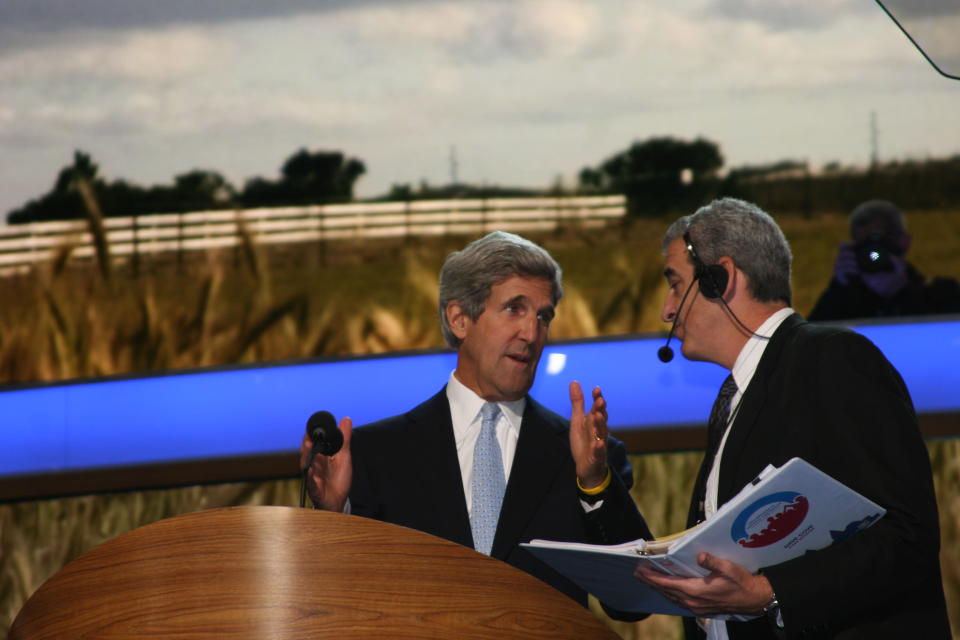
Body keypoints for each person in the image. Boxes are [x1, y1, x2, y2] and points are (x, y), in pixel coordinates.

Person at [630, 198, 950, 638]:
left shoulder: (835, 359)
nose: (667, 309)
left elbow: (906, 536)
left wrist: (769, 592)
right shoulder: (738, 394)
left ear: (719, 278)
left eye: (674, 283)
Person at [299, 230, 650, 607]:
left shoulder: (590, 460)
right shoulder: (375, 455)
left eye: (543, 316)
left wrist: (595, 482)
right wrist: (332, 518)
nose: (532, 333)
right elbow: (342, 601)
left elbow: (633, 602)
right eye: (515, 308)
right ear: (459, 319)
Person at [807, 199, 960, 321]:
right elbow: (809, 346)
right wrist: (839, 288)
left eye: (882, 243)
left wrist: (903, 293)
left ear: (904, 242)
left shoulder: (941, 292)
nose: (874, 254)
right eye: (866, 245)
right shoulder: (843, 298)